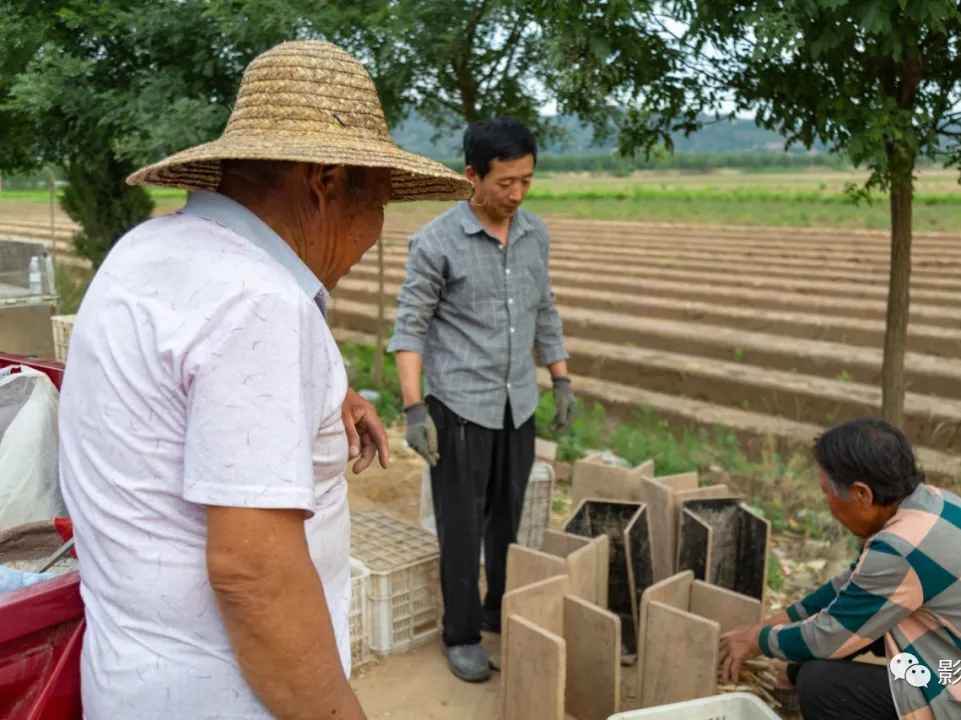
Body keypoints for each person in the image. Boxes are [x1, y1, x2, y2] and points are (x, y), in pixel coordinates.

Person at [57, 40, 471, 720]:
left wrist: (328, 393)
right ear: (327, 181)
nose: (375, 232)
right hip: (229, 697)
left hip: (137, 679)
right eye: (381, 203)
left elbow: (195, 380)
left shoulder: (149, 249)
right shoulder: (257, 306)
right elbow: (253, 577)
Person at [719, 418, 961, 720]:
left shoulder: (900, 549)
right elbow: (854, 586)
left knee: (821, 684)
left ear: (862, 494)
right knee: (843, 638)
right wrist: (775, 622)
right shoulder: (932, 507)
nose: (826, 503)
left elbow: (830, 635)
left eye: (827, 492)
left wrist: (758, 641)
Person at [387, 116, 576, 683]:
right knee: (461, 526)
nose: (516, 194)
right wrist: (414, 408)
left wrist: (561, 380)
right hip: (459, 407)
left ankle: (497, 609)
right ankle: (461, 633)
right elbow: (410, 328)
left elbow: (545, 309)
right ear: (472, 176)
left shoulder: (533, 233)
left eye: (526, 181)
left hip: (516, 403)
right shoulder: (437, 241)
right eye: (505, 183)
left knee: (506, 520)